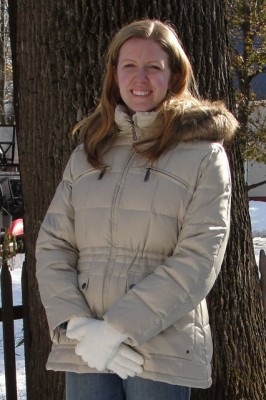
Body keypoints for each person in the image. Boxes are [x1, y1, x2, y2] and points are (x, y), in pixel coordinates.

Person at [36, 19, 239, 400]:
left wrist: (116, 331)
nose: (139, 77)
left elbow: (199, 258)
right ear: (114, 73)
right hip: (85, 349)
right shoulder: (87, 154)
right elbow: (53, 246)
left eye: (154, 67)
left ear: (174, 74)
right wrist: (79, 325)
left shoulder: (203, 155)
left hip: (161, 351)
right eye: (129, 65)